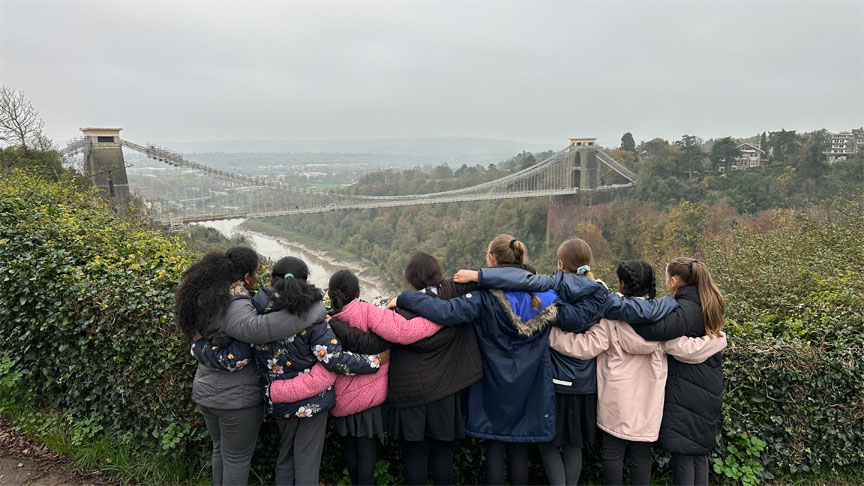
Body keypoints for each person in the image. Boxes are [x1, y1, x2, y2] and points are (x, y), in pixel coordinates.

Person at [453, 238, 679, 486]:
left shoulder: (553, 288)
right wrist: (671, 301)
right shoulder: (602, 294)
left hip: (554, 381)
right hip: (584, 384)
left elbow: (521, 281)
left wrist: (479, 276)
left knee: (548, 444)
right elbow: (641, 312)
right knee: (574, 446)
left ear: (561, 263)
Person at [393, 235, 602, 486]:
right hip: (529, 386)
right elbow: (578, 317)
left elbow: (446, 312)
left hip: (492, 384)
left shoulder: (483, 297)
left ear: (491, 258)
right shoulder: (545, 297)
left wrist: (406, 298)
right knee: (519, 448)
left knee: (494, 446)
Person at [547, 260, 728, 485]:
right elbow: (685, 347)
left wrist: (550, 335)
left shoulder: (613, 318)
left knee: (612, 453)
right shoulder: (662, 317)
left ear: (622, 284)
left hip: (615, 398)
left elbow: (585, 347)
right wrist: (718, 340)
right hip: (649, 401)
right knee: (641, 456)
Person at [175, 247, 326, 486]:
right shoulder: (236, 305)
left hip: (206, 391)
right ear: (246, 277)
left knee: (221, 451)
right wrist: (316, 309)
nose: (257, 279)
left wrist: (198, 347)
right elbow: (260, 330)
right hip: (235, 399)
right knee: (236, 458)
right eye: (255, 273)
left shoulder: (211, 295)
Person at [328, 253, 483, 486]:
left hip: (409, 398)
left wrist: (335, 323)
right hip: (444, 393)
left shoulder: (397, 312)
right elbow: (494, 281)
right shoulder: (454, 304)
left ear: (410, 280)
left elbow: (373, 342)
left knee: (415, 456)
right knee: (442, 454)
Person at [251, 257, 384, 486]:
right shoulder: (312, 316)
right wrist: (375, 362)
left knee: (285, 456)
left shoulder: (256, 313)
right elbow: (334, 359)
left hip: (279, 397)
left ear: (273, 279)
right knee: (307, 460)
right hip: (313, 401)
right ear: (304, 282)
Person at [632, 258, 725, 486]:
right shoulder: (710, 301)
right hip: (709, 383)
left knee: (683, 453)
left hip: (686, 386)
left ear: (674, 281)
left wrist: (626, 311)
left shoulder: (685, 308)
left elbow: (655, 331)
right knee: (699, 453)